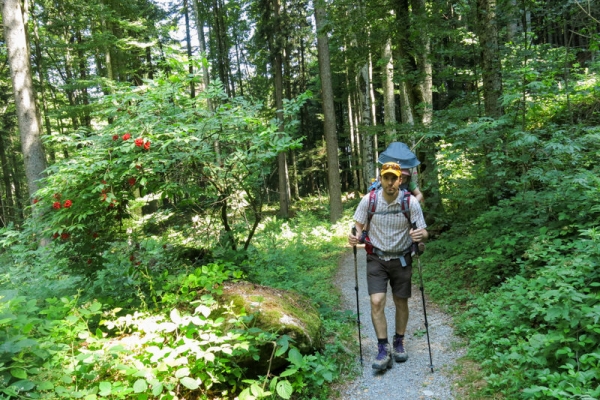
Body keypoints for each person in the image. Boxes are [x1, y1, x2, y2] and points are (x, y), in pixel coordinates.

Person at [348, 161, 429, 371]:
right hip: (376, 258)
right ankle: (383, 347)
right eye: (387, 178)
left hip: (402, 259)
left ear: (400, 180)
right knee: (377, 301)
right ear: (381, 179)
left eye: (394, 178)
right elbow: (357, 227)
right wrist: (353, 236)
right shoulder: (369, 201)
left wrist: (421, 236)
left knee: (401, 302)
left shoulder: (410, 203)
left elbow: (424, 231)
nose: (390, 183)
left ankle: (399, 341)